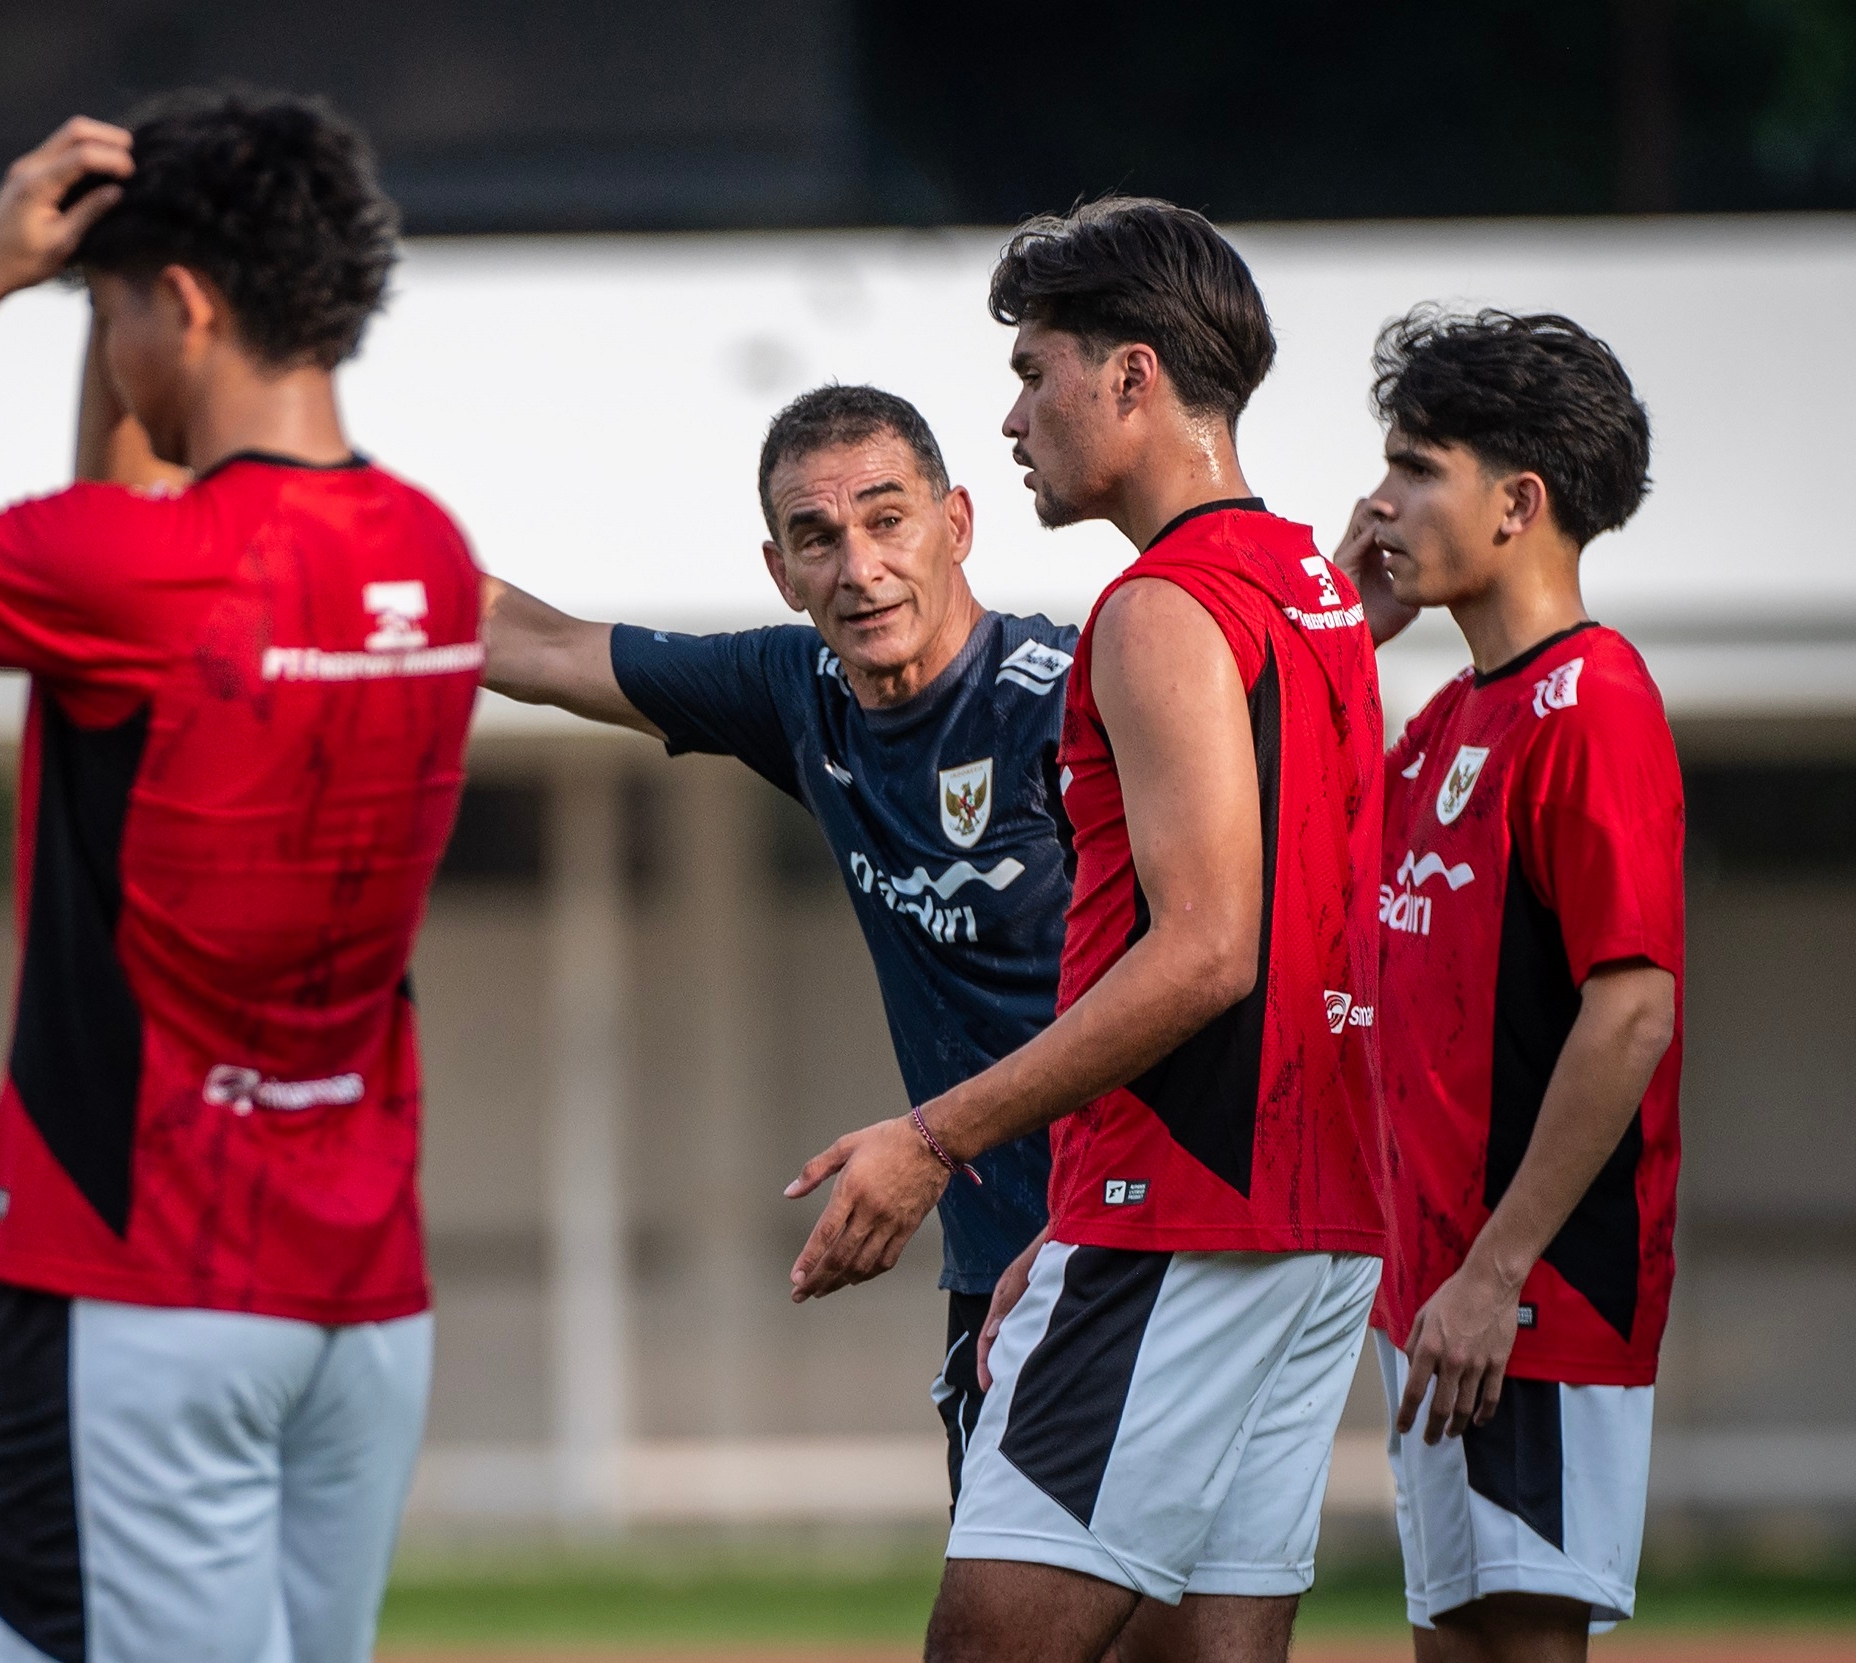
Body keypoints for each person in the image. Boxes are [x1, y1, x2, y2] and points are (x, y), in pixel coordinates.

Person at [0, 90, 482, 1663]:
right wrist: (100, 296)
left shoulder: (129, 566)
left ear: (184, 304)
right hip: (361, 1300)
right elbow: (134, 526)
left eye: (113, 308)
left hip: (135, 1282)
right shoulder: (427, 549)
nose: (111, 343)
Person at [780, 199, 1386, 1663]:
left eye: (1031, 371)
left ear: (1130, 376)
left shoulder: (1159, 605)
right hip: (1317, 1214)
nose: (1011, 417)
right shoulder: (1310, 587)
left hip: (1180, 1211)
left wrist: (933, 1139)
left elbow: (1208, 948)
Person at [481, 382, 1079, 1503]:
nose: (859, 568)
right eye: (818, 538)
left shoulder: (1072, 698)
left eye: (887, 520)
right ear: (780, 571)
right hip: (997, 1254)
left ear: (956, 523)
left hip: (1136, 1239)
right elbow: (541, 645)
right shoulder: (796, 689)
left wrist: (941, 1144)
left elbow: (1203, 965)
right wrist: (321, 533)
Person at [1333, 308, 1679, 1663]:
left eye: (1416, 467)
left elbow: (1631, 1008)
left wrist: (1496, 1267)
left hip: (1524, 1295)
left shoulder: (1592, 701)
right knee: (1458, 1642)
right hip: (1441, 1299)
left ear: (1518, 504)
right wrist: (1343, 639)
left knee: (1519, 1641)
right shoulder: (1443, 721)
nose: (1379, 500)